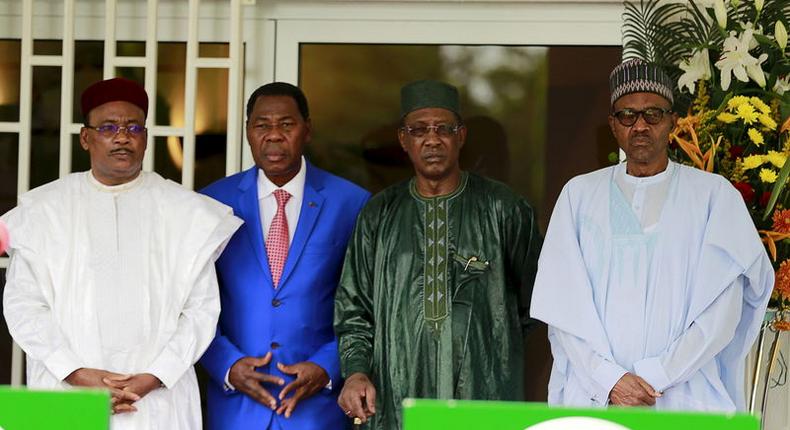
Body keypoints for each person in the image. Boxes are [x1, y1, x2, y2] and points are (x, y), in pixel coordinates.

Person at [530, 59, 773, 411]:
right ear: (613, 125)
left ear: (673, 122)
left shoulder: (713, 197)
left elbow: (723, 311)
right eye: (627, 115)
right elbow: (562, 307)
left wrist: (655, 377)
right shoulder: (579, 196)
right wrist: (610, 380)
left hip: (685, 397)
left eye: (653, 115)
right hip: (595, 397)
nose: (640, 126)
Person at [1, 77, 242, 429]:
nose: (122, 136)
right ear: (86, 138)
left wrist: (154, 376)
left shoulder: (185, 212)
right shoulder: (43, 210)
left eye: (133, 127)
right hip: (65, 393)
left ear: (145, 138)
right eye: (109, 127)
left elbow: (201, 310)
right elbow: (23, 306)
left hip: (157, 398)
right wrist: (77, 373)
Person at [334, 79, 543, 429]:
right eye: (419, 130)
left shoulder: (504, 208)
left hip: (484, 397)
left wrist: (490, 348)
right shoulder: (379, 214)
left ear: (460, 136)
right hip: (396, 393)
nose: (432, 139)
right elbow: (354, 308)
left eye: (443, 128)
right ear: (404, 139)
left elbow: (535, 302)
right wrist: (356, 371)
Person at [199, 82, 370, 430]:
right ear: (248, 132)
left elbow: (369, 303)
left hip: (318, 410)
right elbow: (189, 302)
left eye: (286, 124)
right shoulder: (210, 204)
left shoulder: (352, 203)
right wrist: (227, 365)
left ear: (307, 129)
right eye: (262, 125)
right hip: (235, 409)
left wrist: (327, 367)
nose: (274, 135)